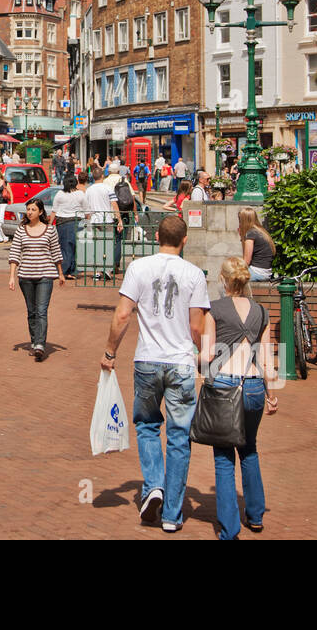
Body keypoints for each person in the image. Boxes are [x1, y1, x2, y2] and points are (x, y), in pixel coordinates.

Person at [101, 214, 208, 533]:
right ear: (184, 240)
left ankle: (153, 487)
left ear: (157, 235)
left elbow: (123, 314)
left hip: (147, 359)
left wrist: (109, 352)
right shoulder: (194, 274)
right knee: (178, 435)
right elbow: (196, 326)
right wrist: (201, 356)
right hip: (181, 362)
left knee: (147, 425)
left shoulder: (138, 267)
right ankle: (173, 515)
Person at [202, 256, 278, 539]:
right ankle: (256, 516)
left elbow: (208, 356)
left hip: (224, 386)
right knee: (249, 448)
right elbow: (267, 359)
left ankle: (230, 529)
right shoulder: (262, 312)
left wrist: (191, 356)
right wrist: (271, 395)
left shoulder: (215, 310)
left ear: (223, 280)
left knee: (223, 457)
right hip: (255, 384)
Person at [7, 197, 64, 361]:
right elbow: (15, 254)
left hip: (45, 276)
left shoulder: (50, 230)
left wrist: (60, 273)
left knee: (41, 311)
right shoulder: (21, 230)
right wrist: (12, 276)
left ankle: (40, 344)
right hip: (25, 276)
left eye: (33, 209)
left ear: (40, 212)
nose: (30, 212)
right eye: (28, 209)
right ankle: (34, 341)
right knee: (31, 312)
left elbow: (56, 253)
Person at [85, 168, 123, 281]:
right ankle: (107, 270)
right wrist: (119, 219)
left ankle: (97, 272)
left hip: (93, 220)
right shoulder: (107, 188)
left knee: (96, 246)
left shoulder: (89, 190)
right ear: (102, 176)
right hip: (107, 219)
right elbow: (114, 204)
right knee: (108, 246)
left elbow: (86, 208)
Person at [52, 173, 87, 279]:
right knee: (76, 247)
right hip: (78, 222)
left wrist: (50, 224)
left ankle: (64, 270)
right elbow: (87, 210)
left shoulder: (59, 194)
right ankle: (72, 270)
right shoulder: (80, 194)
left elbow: (54, 210)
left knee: (65, 247)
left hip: (62, 223)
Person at [238, 207, 275, 282]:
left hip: (257, 272)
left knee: (231, 280)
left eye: (240, 220)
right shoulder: (261, 231)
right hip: (266, 271)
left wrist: (242, 237)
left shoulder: (251, 233)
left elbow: (246, 261)